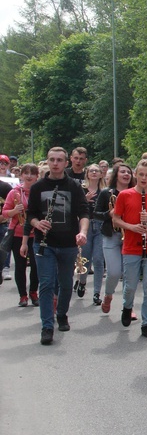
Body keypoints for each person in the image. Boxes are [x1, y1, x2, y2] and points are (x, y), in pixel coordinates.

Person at [24, 147, 89, 345]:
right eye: (51, 159)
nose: (55, 163)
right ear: (48, 161)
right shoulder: (37, 187)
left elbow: (84, 213)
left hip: (68, 243)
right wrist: (37, 223)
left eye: (59, 160)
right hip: (44, 244)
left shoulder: (74, 186)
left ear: (66, 163)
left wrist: (83, 232)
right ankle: (47, 326)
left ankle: (62, 313)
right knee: (46, 283)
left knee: (66, 283)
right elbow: (30, 215)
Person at [112, 159, 147, 338]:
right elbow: (115, 219)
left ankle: (146, 324)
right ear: (136, 175)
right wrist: (131, 227)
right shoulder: (124, 195)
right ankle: (127, 306)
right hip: (131, 247)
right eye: (141, 174)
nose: (144, 178)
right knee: (130, 286)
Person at [93, 163, 134, 313]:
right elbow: (95, 214)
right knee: (115, 272)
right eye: (122, 171)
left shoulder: (135, 193)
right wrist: (108, 214)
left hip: (130, 235)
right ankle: (108, 295)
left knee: (129, 274)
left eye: (128, 172)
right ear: (116, 174)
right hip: (111, 235)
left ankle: (128, 306)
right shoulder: (106, 193)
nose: (126, 174)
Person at [3, 164, 39, 306]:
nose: (29, 176)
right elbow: (5, 212)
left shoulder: (38, 191)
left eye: (32, 173)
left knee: (36, 265)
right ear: (21, 175)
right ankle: (23, 296)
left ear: (37, 176)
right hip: (18, 233)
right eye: (26, 173)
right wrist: (15, 211)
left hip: (36, 234)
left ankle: (34, 292)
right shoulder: (14, 192)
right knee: (20, 265)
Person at [75, 164, 106, 303]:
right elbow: (75, 209)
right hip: (85, 225)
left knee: (99, 260)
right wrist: (84, 201)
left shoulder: (105, 191)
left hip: (100, 226)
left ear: (101, 174)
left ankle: (97, 293)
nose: (94, 173)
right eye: (91, 171)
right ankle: (82, 282)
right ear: (87, 174)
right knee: (84, 259)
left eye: (97, 171)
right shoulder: (80, 189)